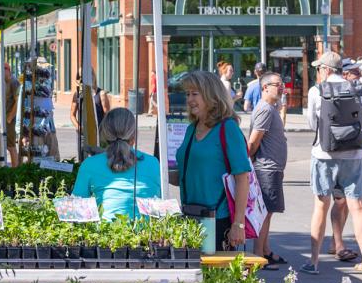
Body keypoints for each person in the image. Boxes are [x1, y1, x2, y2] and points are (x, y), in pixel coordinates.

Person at [304, 53, 362, 277]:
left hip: (324, 154)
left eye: (319, 69)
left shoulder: (316, 90)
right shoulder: (357, 89)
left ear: (326, 69)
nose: (318, 72)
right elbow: (361, 116)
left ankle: (313, 262)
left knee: (321, 206)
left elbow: (312, 124)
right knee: (357, 208)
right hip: (353, 155)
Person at [175, 70, 250, 249]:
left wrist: (238, 224)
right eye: (187, 94)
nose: (189, 100)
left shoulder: (228, 129)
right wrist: (153, 170)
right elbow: (187, 173)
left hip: (217, 219)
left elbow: (242, 178)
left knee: (214, 275)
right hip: (190, 215)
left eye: (195, 94)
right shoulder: (191, 129)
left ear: (211, 95)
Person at [71, 108, 160, 219]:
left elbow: (75, 210)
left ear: (104, 134)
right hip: (147, 234)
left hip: (107, 234)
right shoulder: (153, 163)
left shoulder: (89, 164)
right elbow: (159, 203)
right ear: (134, 135)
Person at [247, 72, 287, 267]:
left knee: (268, 212)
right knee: (264, 213)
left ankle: (265, 250)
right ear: (265, 88)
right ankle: (258, 256)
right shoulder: (265, 109)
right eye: (277, 85)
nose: (281, 87)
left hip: (272, 168)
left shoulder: (270, 108)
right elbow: (253, 142)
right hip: (266, 169)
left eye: (282, 84)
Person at [3, 65, 19, 166]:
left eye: (2, 70)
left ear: (8, 70)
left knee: (11, 146)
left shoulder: (14, 82)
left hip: (10, 120)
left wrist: (9, 118)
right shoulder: (4, 82)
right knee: (5, 145)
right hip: (5, 118)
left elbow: (18, 101)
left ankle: (15, 170)